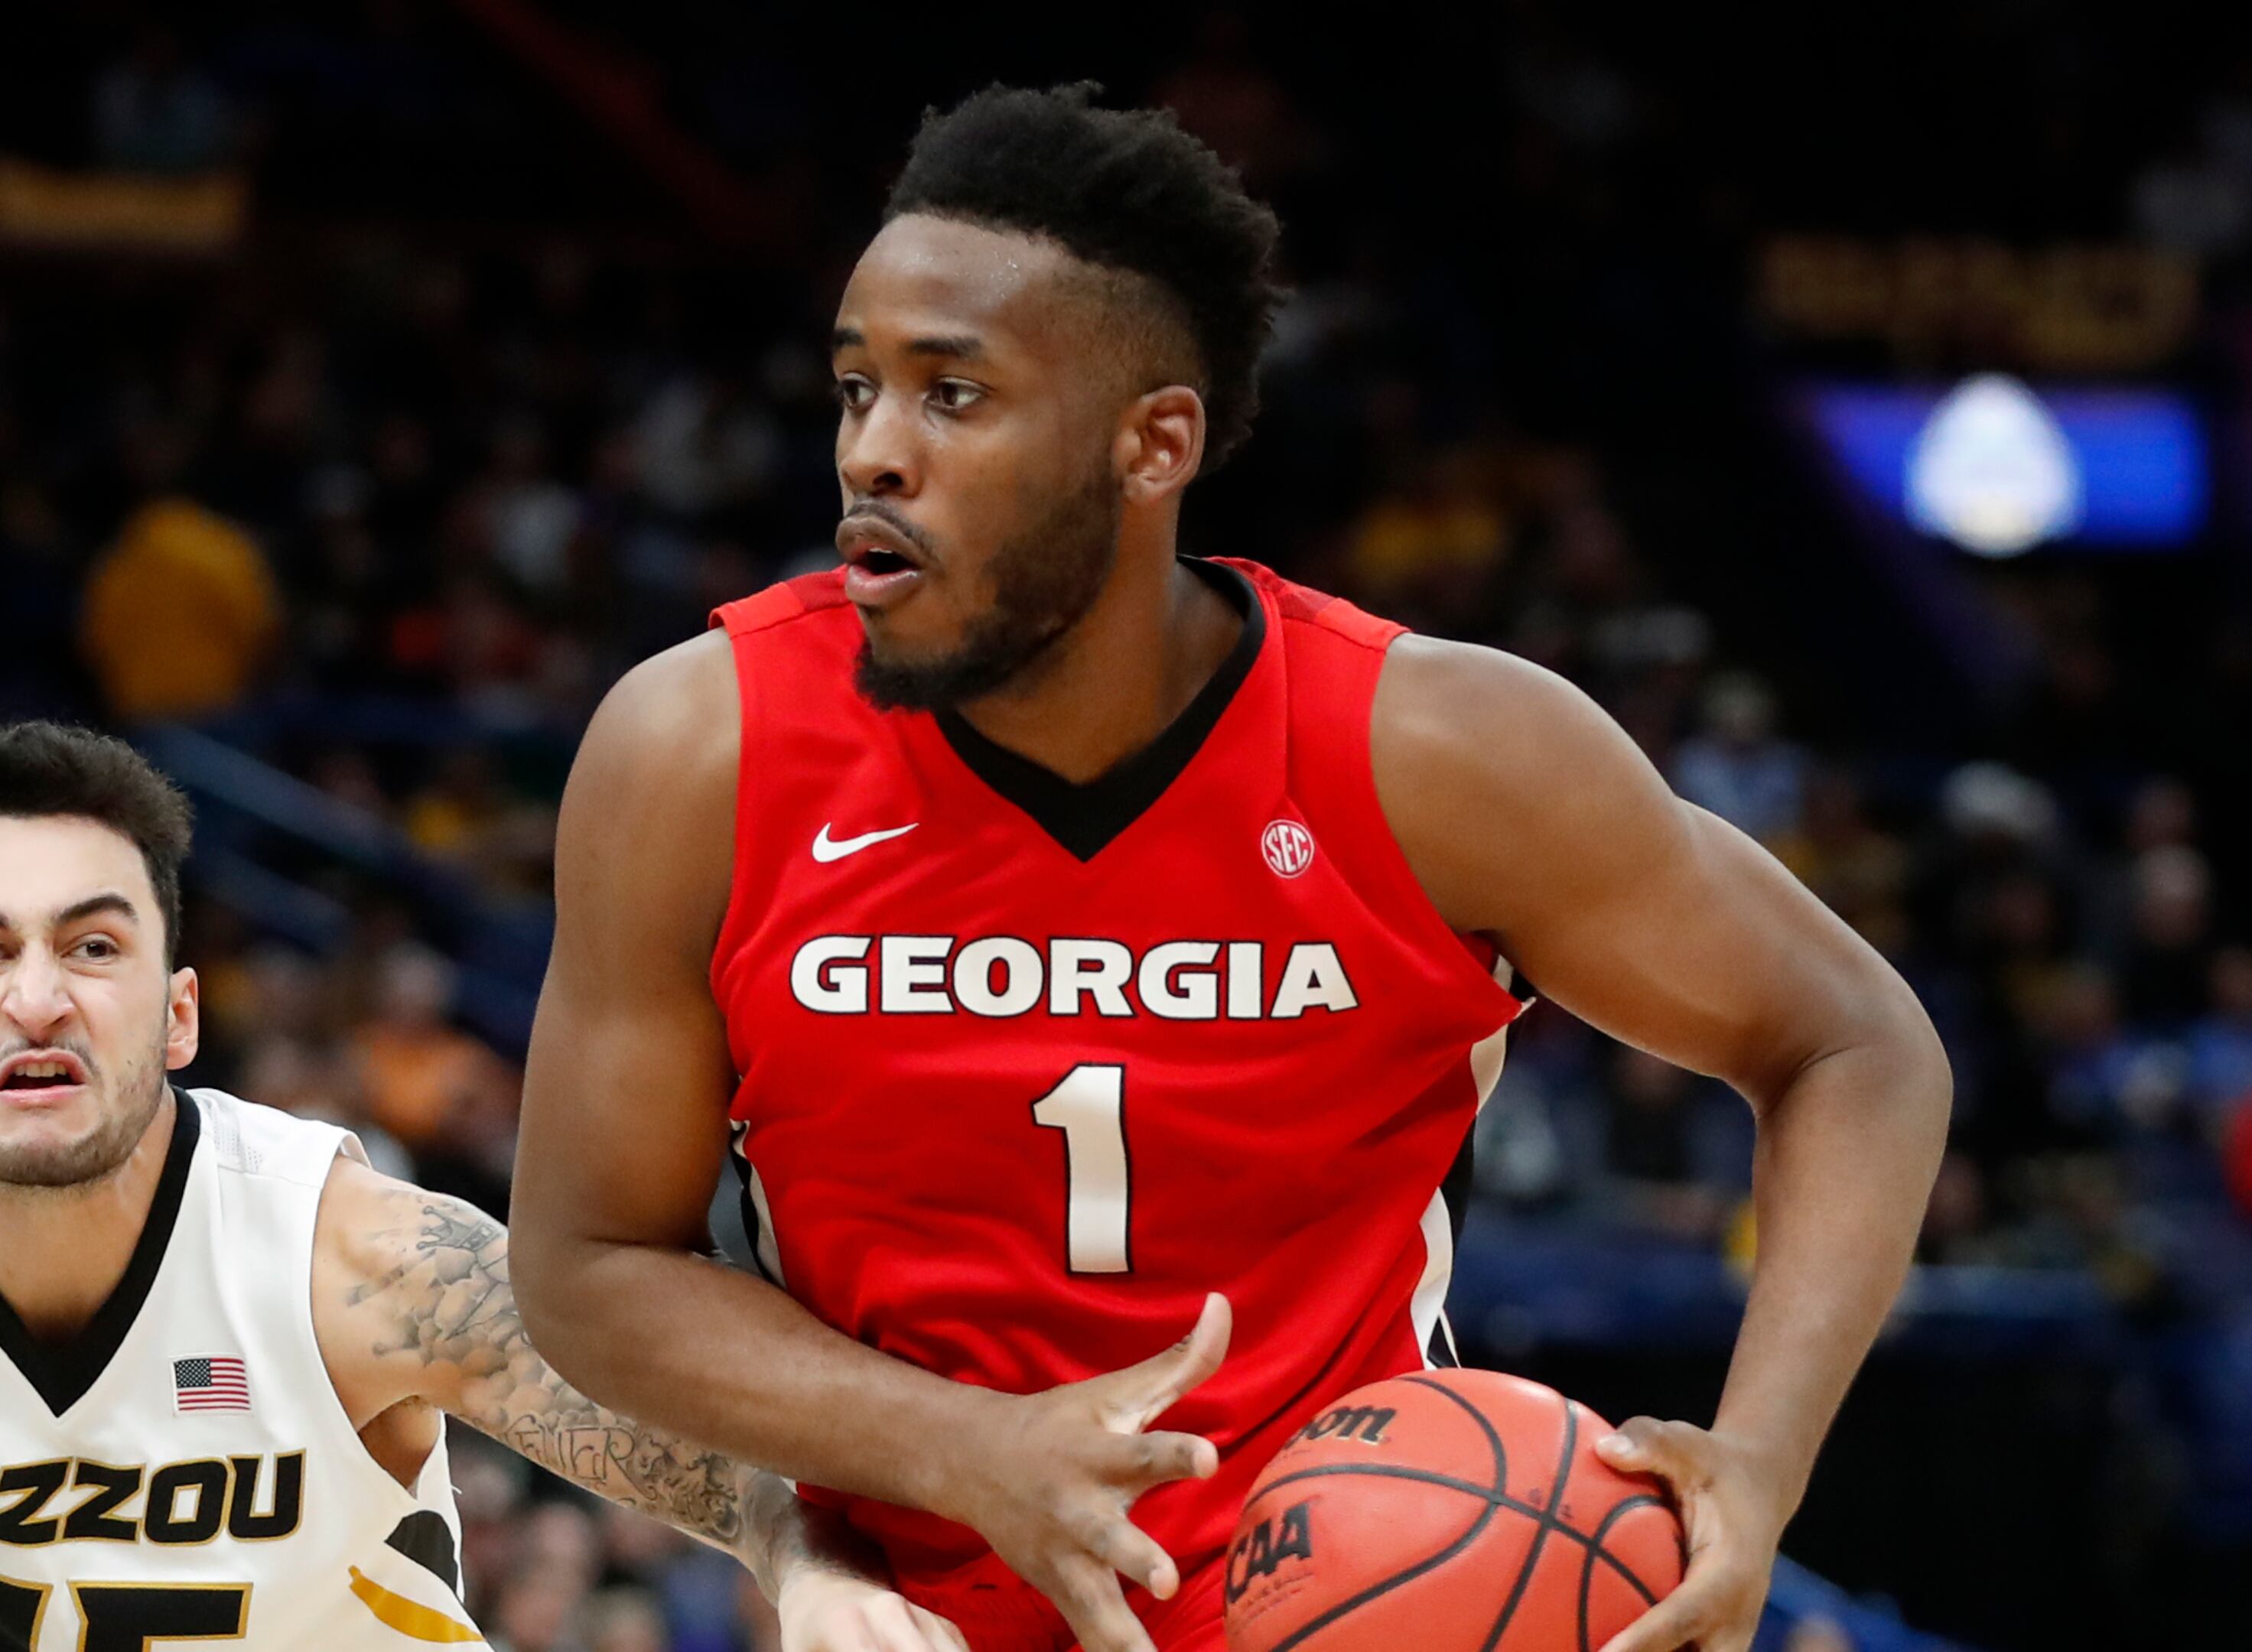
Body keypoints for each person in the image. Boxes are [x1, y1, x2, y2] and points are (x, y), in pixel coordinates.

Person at [509, 85, 1951, 1652]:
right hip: (910, 1623)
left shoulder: (1438, 756)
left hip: (1347, 1603)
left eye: (953, 397)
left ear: (1155, 444)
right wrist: (953, 1447)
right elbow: (589, 1264)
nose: (874, 453)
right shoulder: (697, 754)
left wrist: (1761, 1457)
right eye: (856, 388)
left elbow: (1853, 1045)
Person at [0, 574, 953, 1651]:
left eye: (94, 946)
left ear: (179, 1014)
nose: (38, 997)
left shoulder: (340, 1249)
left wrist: (801, 1563)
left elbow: (662, 1402)